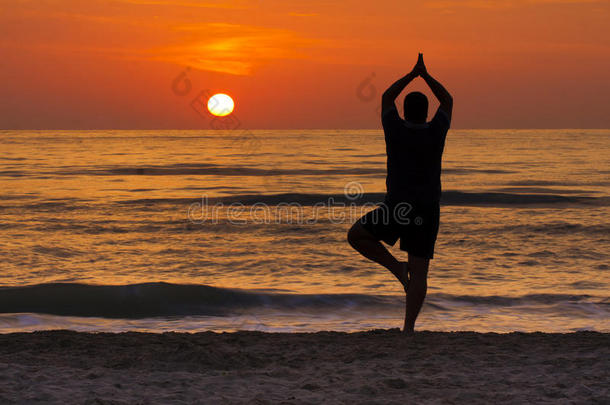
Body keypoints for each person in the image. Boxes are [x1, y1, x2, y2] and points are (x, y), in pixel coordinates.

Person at [347, 53, 453, 334]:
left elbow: (385, 97)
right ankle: (408, 328)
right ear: (427, 112)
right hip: (427, 209)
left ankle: (396, 269)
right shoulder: (436, 131)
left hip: (398, 208)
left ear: (404, 112)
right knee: (420, 272)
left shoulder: (395, 130)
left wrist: (411, 75)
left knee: (356, 235)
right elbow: (448, 100)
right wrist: (425, 76)